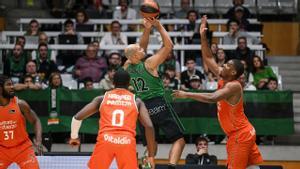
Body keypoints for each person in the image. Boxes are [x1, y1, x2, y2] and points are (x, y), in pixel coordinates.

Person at [173, 16, 263, 169]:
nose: (223, 66)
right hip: (242, 132)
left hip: (240, 135)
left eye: (227, 65)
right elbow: (208, 58)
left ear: (233, 72)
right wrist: (203, 37)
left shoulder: (234, 86)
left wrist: (187, 94)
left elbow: (213, 98)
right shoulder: (224, 76)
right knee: (251, 167)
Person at [123, 17, 185, 169]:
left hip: (142, 109)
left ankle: (146, 166)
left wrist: (147, 29)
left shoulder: (127, 66)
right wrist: (159, 26)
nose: (143, 49)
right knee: (179, 140)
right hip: (158, 104)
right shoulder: (150, 63)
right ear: (136, 56)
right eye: (140, 50)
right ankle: (171, 166)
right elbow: (169, 45)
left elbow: (140, 46)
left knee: (152, 146)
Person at [69, 70, 155, 169]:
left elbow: (77, 117)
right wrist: (151, 156)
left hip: (106, 140)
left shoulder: (101, 99)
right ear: (129, 83)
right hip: (126, 142)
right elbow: (149, 126)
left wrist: (74, 136)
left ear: (113, 82)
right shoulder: (137, 101)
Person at [0, 75, 43, 169]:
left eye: (12, 84)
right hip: (2, 149)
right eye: (8, 85)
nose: (12, 87)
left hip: (23, 148)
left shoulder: (20, 104)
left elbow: (36, 120)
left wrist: (38, 141)